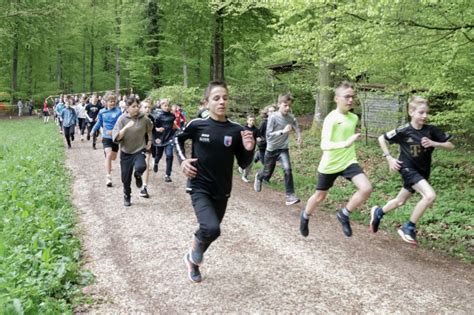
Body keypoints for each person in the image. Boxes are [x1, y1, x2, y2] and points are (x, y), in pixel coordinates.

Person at [175, 80, 255, 283]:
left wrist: (249, 148)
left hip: (222, 189)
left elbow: (244, 163)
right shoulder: (197, 125)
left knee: (211, 231)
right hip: (199, 185)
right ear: (206, 102)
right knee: (211, 228)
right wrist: (183, 161)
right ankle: (194, 255)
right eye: (216, 98)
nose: (221, 102)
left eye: (225, 98)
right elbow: (176, 139)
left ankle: (191, 260)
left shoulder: (236, 130)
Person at [370, 96, 454, 245]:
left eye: (426, 113)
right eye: (421, 113)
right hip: (407, 168)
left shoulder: (431, 130)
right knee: (429, 196)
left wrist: (434, 143)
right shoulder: (404, 130)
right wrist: (389, 158)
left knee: (400, 201)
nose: (425, 116)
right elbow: (381, 139)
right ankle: (408, 227)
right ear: (411, 112)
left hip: (423, 172)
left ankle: (379, 212)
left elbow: (450, 145)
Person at [299, 81, 373, 238]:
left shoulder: (353, 118)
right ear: (336, 99)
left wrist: (350, 141)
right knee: (320, 196)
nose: (351, 100)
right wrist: (345, 143)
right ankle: (305, 216)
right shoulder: (331, 118)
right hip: (330, 164)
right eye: (347, 97)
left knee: (366, 188)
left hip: (348, 161)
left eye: (352, 97)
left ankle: (344, 214)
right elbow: (324, 144)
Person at [253, 93, 302, 206]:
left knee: (288, 169)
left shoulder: (290, 117)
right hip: (271, 149)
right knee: (267, 172)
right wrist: (283, 131)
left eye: (289, 106)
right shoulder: (273, 117)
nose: (287, 108)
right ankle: (259, 176)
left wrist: (299, 135)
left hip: (283, 149)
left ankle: (290, 196)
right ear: (279, 104)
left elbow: (295, 124)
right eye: (285, 105)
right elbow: (268, 135)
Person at [112, 96, 153, 206]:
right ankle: (127, 195)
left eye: (137, 106)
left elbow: (150, 128)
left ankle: (138, 175)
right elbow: (116, 138)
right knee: (125, 178)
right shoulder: (122, 119)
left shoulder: (144, 118)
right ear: (127, 108)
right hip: (126, 152)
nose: (136, 108)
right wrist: (126, 128)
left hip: (139, 149)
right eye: (133, 106)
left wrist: (149, 140)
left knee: (142, 166)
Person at [91, 92, 122, 187]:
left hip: (115, 137)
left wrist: (114, 131)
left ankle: (108, 159)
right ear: (105, 102)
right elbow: (99, 122)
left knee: (113, 157)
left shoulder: (118, 111)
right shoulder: (101, 112)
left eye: (114, 101)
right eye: (110, 101)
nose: (112, 103)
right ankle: (108, 177)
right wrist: (93, 130)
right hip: (106, 137)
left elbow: (120, 124)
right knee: (108, 155)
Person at [152, 99, 177, 182]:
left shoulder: (172, 116)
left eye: (168, 106)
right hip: (160, 138)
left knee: (169, 155)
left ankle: (167, 175)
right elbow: (152, 127)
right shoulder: (157, 116)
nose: (167, 107)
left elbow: (173, 124)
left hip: (169, 138)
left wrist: (177, 129)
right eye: (165, 106)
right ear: (161, 106)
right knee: (158, 155)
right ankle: (156, 163)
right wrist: (157, 129)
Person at [139, 100, 154, 198]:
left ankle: (144, 187)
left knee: (147, 162)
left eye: (149, 107)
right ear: (140, 108)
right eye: (145, 107)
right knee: (139, 165)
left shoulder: (152, 118)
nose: (147, 109)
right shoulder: (136, 118)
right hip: (135, 144)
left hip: (147, 143)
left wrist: (150, 141)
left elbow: (151, 131)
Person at [239, 114, 259, 182]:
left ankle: (245, 176)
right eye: (250, 120)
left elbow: (258, 137)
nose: (252, 121)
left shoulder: (256, 130)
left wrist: (259, 139)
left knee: (250, 163)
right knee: (244, 161)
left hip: (252, 149)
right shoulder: (243, 128)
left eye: (253, 120)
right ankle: (241, 167)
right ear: (247, 121)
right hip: (243, 149)